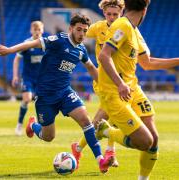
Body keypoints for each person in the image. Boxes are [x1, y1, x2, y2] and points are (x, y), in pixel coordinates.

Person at [0, 13, 114, 173]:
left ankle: (100, 160)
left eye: (85, 31)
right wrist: (10, 50)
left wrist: (106, 86)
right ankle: (33, 125)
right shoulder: (59, 41)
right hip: (45, 97)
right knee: (49, 136)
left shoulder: (81, 50)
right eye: (79, 30)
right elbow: (34, 43)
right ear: (71, 28)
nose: (82, 34)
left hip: (65, 92)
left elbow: (91, 68)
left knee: (86, 121)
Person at [97, 0, 179, 179]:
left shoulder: (134, 31)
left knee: (154, 140)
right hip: (115, 92)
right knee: (144, 141)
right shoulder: (122, 25)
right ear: (145, 10)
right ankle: (104, 130)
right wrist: (120, 83)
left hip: (132, 89)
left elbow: (147, 64)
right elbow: (104, 56)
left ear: (126, 7)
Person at [71, 0, 124, 168]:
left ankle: (79, 147)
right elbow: (79, 34)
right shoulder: (98, 27)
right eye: (109, 14)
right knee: (109, 115)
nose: (112, 17)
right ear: (104, 13)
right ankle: (109, 152)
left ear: (121, 13)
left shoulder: (125, 29)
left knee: (108, 119)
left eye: (115, 14)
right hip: (103, 81)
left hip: (120, 80)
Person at [12, 21, 44, 136]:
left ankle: (39, 126)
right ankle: (19, 124)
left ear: (42, 31)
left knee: (42, 102)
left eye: (39, 30)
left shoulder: (46, 44)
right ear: (31, 31)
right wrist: (15, 75)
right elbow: (16, 59)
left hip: (41, 79)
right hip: (28, 78)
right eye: (35, 30)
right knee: (27, 99)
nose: (37, 32)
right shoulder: (26, 44)